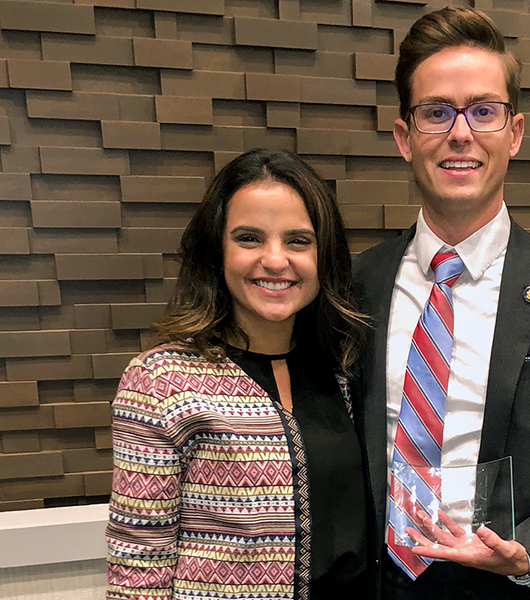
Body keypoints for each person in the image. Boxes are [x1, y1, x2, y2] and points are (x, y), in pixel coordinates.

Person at [351, 7, 530, 600]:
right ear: (405, 139)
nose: (461, 132)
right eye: (437, 112)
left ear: (514, 132)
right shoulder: (357, 285)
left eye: (483, 111)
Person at [106, 148, 370, 600]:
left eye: (298, 240)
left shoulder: (344, 371)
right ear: (217, 251)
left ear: (324, 256)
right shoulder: (161, 381)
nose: (274, 259)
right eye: (249, 238)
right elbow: (138, 571)